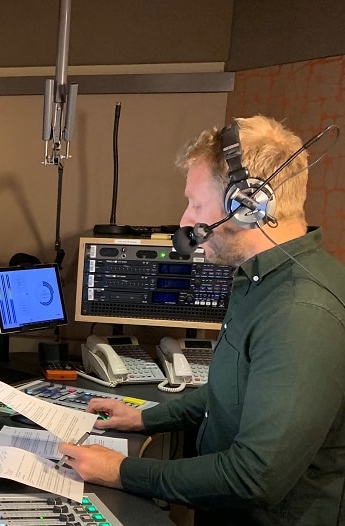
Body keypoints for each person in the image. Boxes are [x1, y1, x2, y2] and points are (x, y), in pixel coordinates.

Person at [59, 115, 345, 525]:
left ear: (247, 205)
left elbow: (253, 477)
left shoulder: (300, 314)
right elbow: (232, 392)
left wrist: (118, 471)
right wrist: (145, 417)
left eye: (195, 204)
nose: (185, 221)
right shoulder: (261, 280)